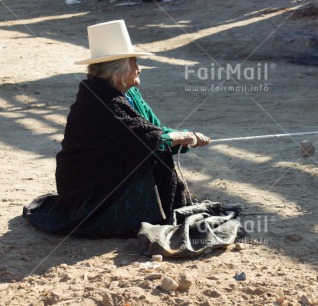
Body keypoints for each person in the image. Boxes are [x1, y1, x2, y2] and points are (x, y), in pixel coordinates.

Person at [23, 20, 211, 238]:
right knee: (149, 156)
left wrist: (189, 138)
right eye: (134, 62)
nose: (139, 68)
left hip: (108, 171)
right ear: (117, 69)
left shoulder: (129, 95)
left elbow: (153, 130)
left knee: (153, 152)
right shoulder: (99, 100)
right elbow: (142, 140)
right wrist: (180, 137)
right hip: (89, 184)